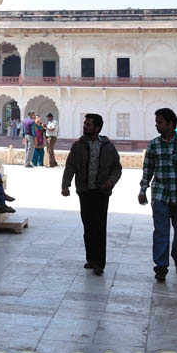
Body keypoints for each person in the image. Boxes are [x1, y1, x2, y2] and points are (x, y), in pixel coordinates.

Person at [139, 107, 177, 282]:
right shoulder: (154, 145)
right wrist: (143, 190)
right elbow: (147, 170)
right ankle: (161, 266)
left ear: (170, 124)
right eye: (156, 122)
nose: (157, 125)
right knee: (161, 231)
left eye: (160, 122)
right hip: (160, 194)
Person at [61, 113, 122, 275]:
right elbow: (70, 166)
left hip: (101, 192)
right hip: (85, 191)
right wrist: (65, 185)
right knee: (88, 225)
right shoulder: (78, 146)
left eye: (88, 124)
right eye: (85, 124)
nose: (85, 127)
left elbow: (117, 167)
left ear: (97, 128)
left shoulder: (108, 146)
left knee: (100, 226)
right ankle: (91, 258)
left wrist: (111, 181)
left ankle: (99, 263)